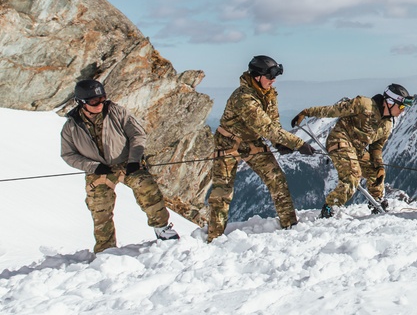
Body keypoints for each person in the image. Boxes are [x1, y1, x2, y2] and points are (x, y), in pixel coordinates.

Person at [60, 79, 180, 253]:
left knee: (146, 187)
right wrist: (93, 166)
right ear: (81, 103)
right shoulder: (71, 126)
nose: (100, 103)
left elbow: (137, 135)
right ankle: (106, 249)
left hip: (126, 162)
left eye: (102, 98)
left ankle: (162, 228)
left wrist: (134, 160)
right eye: (94, 101)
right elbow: (68, 155)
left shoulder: (116, 112)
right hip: (98, 170)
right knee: (99, 206)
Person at [206, 55, 315, 242]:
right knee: (222, 192)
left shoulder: (269, 94)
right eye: (270, 76)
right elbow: (266, 128)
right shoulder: (244, 97)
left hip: (253, 142)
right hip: (228, 143)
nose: (273, 80)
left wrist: (279, 143)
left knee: (277, 179)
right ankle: (214, 238)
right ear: (257, 76)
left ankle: (290, 225)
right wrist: (297, 143)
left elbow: (273, 124)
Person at [292, 83, 413, 216]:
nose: (402, 110)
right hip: (340, 141)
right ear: (389, 102)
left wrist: (379, 166)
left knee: (376, 172)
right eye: (401, 106)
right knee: (352, 176)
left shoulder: (387, 124)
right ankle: (330, 207)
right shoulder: (364, 105)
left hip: (357, 149)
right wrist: (307, 112)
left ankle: (376, 201)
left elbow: (376, 148)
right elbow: (334, 110)